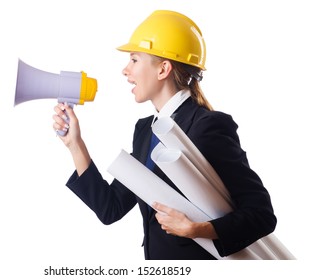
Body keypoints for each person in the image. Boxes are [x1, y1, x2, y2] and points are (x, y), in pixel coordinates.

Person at [52, 10, 276, 260]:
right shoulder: (145, 129)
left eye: (134, 60)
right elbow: (110, 208)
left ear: (163, 69)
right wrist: (75, 144)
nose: (125, 70)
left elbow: (261, 215)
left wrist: (198, 230)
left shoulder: (208, 127)